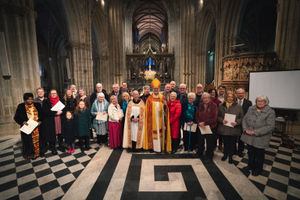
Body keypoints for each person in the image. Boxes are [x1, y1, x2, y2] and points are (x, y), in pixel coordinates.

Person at [241, 95, 275, 176]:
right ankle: (250, 166)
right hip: (249, 136)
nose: (259, 102)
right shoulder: (251, 108)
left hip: (260, 137)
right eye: (258, 101)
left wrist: (255, 132)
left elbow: (270, 126)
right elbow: (244, 119)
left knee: (259, 155)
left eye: (262, 101)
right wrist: (245, 129)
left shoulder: (270, 112)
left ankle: (258, 169)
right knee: (250, 152)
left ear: (266, 102)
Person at [143, 78, 172, 153]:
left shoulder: (162, 97)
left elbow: (166, 108)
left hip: (160, 119)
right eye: (154, 89)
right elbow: (147, 110)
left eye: (157, 89)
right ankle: (152, 147)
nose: (156, 90)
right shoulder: (149, 98)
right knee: (153, 134)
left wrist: (165, 106)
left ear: (159, 89)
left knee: (160, 134)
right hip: (152, 120)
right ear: (152, 89)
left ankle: (161, 147)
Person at [217, 91, 244, 164]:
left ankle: (231, 156)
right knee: (225, 143)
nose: (230, 98)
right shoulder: (221, 105)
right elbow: (218, 116)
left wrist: (237, 122)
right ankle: (225, 154)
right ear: (226, 97)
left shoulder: (238, 106)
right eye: (228, 97)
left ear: (234, 98)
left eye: (232, 97)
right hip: (224, 128)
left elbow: (242, 117)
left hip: (234, 128)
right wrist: (221, 120)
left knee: (232, 143)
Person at [14, 93, 42, 159]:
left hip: (37, 127)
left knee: (38, 140)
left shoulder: (37, 105)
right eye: (28, 99)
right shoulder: (21, 106)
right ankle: (30, 154)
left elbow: (42, 114)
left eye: (31, 99)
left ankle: (38, 153)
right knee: (28, 142)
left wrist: (40, 121)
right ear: (25, 99)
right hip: (27, 128)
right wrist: (22, 122)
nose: (30, 100)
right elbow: (16, 117)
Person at [196, 92, 218, 160]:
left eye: (207, 98)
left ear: (210, 98)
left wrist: (205, 123)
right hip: (201, 126)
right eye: (204, 98)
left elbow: (214, 118)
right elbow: (197, 115)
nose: (205, 99)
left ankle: (209, 155)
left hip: (210, 127)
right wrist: (199, 122)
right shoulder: (201, 105)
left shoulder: (214, 105)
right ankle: (200, 153)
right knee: (200, 141)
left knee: (210, 142)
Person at [41, 89, 63, 155]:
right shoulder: (46, 101)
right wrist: (55, 113)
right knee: (52, 134)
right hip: (51, 120)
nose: (53, 94)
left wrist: (62, 111)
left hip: (60, 118)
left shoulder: (60, 100)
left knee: (60, 132)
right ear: (50, 94)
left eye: (55, 93)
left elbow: (64, 108)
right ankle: (53, 147)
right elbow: (45, 111)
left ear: (57, 94)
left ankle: (60, 145)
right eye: (52, 93)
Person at [235, 88, 252, 157]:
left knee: (241, 138)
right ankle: (233, 150)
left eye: (242, 93)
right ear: (236, 94)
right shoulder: (233, 101)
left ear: (244, 94)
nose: (240, 94)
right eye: (239, 93)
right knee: (233, 138)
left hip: (244, 124)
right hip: (234, 123)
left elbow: (250, 114)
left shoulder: (249, 102)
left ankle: (240, 151)